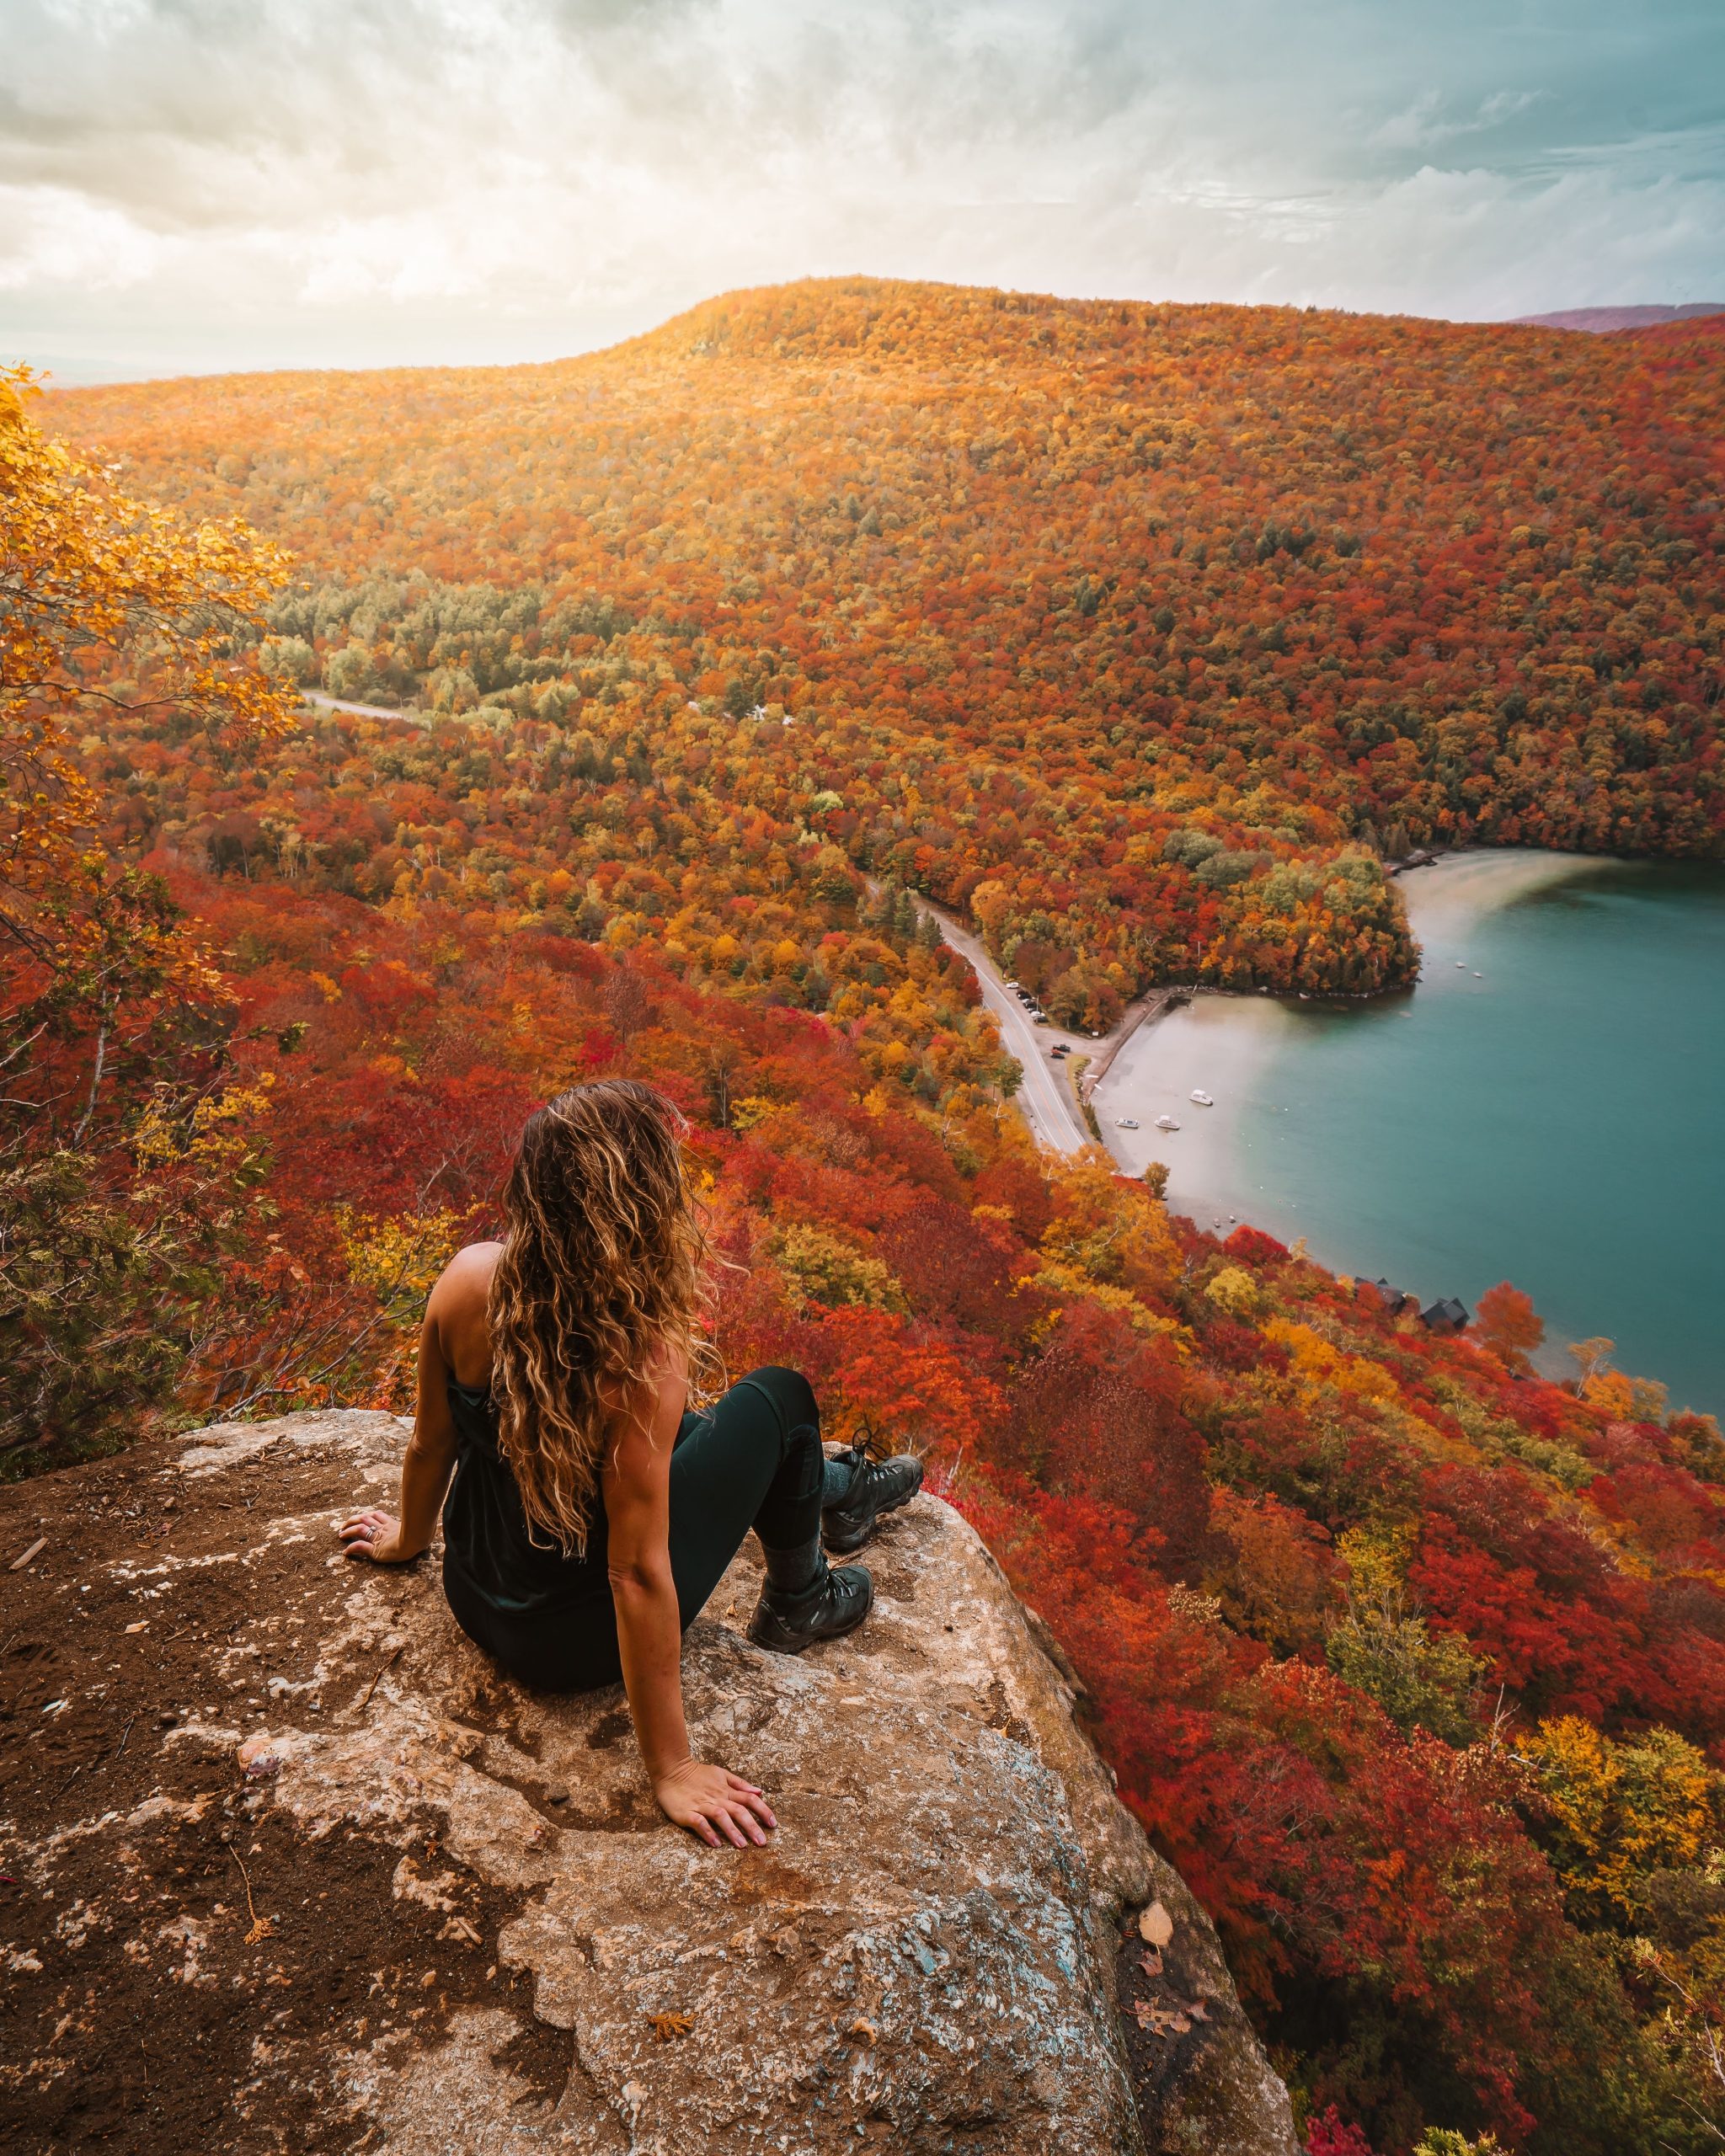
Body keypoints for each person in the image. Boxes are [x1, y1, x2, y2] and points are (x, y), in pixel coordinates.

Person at [337, 1080, 922, 1849]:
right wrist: (672, 1767)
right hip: (576, 1643)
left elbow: (430, 1444)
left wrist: (405, 1543)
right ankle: (799, 1596)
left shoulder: (468, 1279)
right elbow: (636, 1573)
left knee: (688, 1433)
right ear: (639, 1207)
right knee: (780, 1397)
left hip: (478, 1595)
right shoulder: (638, 1355)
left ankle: (835, 1494)